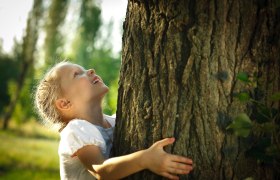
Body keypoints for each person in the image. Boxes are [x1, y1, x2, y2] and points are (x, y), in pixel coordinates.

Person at [34, 61, 193, 180]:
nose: (90, 70)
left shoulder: (117, 122)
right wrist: (145, 159)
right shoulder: (75, 131)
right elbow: (100, 170)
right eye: (77, 74)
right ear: (65, 103)